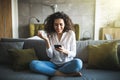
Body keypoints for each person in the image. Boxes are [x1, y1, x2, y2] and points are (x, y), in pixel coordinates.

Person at [29, 11, 83, 77]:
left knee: (78, 63)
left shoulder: (70, 34)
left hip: (67, 63)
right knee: (33, 64)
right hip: (53, 64)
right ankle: (64, 74)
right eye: (56, 24)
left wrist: (64, 51)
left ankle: (52, 72)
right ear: (53, 25)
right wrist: (47, 40)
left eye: (61, 24)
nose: (58, 27)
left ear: (65, 24)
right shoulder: (50, 34)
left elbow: (74, 53)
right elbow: (50, 56)